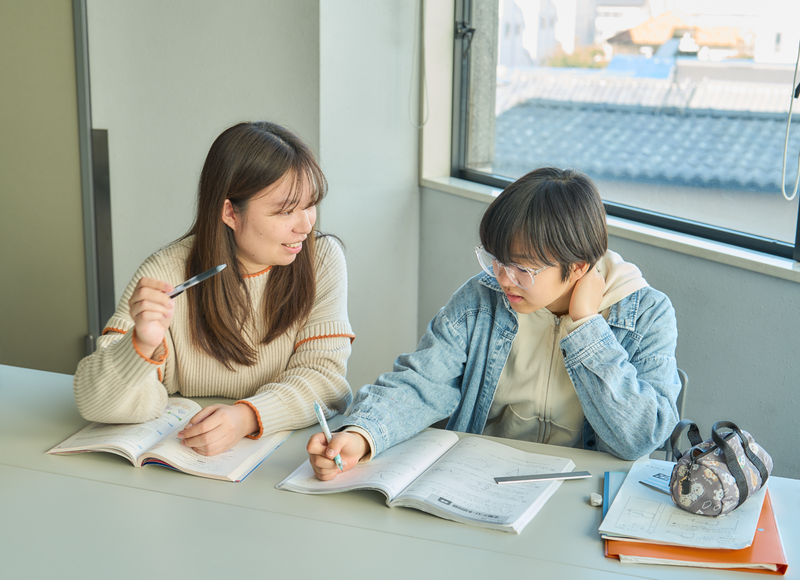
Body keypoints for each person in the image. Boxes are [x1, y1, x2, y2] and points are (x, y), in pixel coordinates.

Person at [308, 167, 680, 480]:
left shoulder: (647, 314)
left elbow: (640, 437)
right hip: (478, 479)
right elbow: (421, 382)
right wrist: (360, 433)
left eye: (522, 268)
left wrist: (584, 328)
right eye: (496, 259)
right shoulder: (480, 299)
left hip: (580, 492)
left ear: (579, 267)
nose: (503, 279)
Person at [74, 121, 354, 456]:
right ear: (229, 213)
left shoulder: (321, 259)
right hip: (182, 458)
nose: (306, 225)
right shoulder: (165, 272)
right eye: (285, 211)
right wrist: (141, 344)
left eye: (310, 205)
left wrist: (246, 417)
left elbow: (326, 381)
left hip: (279, 454)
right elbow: (94, 403)